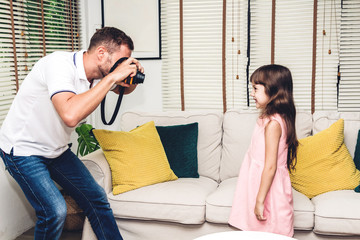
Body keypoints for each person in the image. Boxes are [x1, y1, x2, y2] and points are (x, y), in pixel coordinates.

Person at [0, 27, 143, 240]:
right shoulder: (58, 65)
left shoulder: (99, 74)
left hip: (55, 150)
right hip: (23, 150)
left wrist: (132, 74)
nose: (121, 66)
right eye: (121, 60)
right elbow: (70, 115)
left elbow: (124, 88)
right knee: (54, 211)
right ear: (102, 54)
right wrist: (113, 76)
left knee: (97, 199)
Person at [228, 64, 298, 237]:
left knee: (274, 231)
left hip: (269, 189)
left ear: (273, 91)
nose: (252, 93)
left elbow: (270, 167)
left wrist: (260, 200)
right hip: (258, 183)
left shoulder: (273, 124)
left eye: (255, 89)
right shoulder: (267, 119)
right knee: (255, 232)